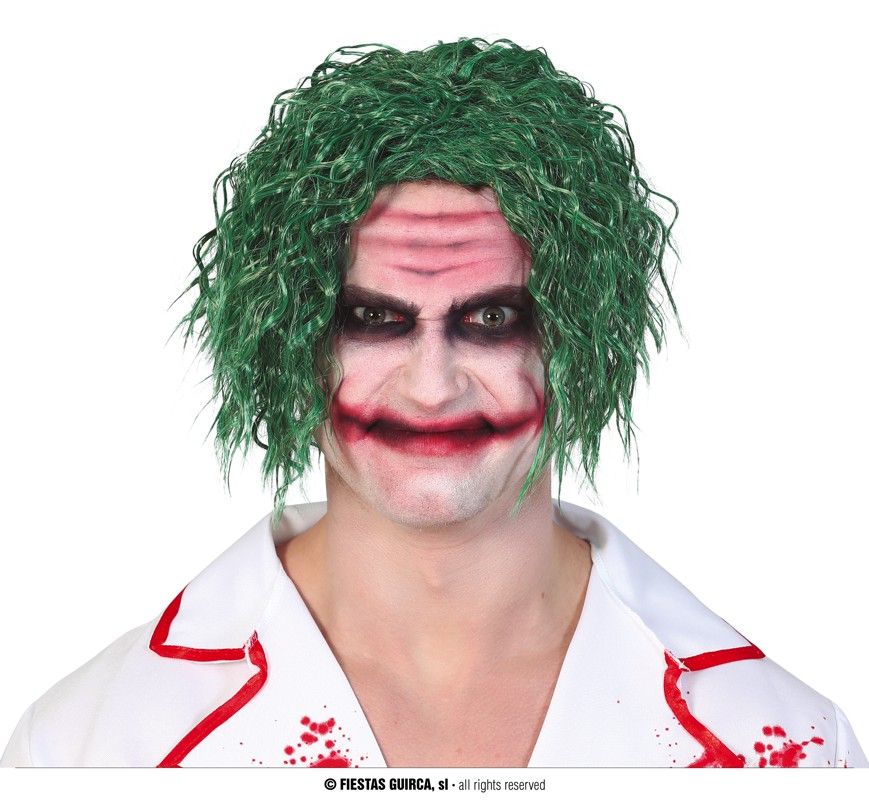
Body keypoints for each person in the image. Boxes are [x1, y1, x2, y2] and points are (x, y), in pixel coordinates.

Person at [2, 38, 865, 769]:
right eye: (371, 320)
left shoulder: (782, 747)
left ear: (577, 337)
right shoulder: (91, 746)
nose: (430, 385)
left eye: (491, 319)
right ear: (290, 341)